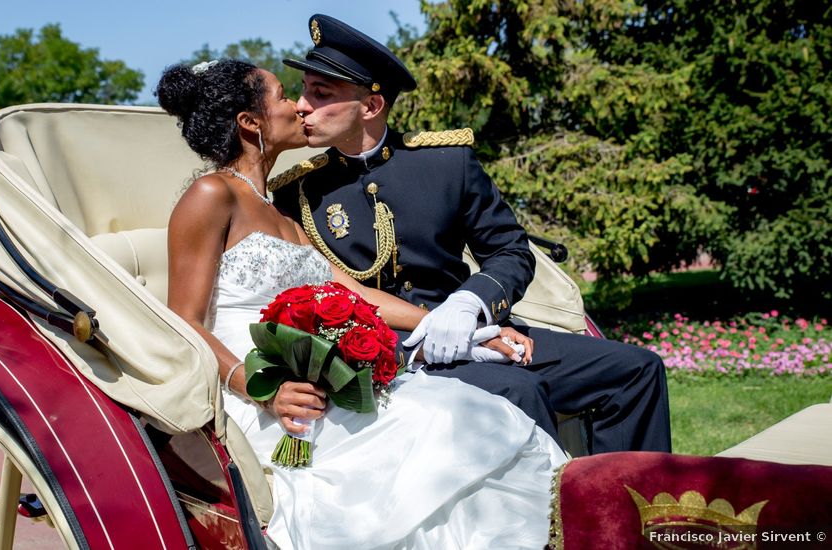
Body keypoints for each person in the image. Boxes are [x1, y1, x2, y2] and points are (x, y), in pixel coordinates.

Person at [157, 59, 566, 550]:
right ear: (250, 122)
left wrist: (464, 327)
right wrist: (263, 389)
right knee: (445, 424)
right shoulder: (211, 194)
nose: (299, 104)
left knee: (471, 416)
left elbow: (349, 292)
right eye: (284, 96)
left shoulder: (279, 211)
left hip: (320, 373)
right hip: (260, 386)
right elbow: (183, 320)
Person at [272, 14, 671, 453]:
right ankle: (558, 516)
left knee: (637, 370)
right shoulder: (300, 193)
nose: (302, 104)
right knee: (518, 390)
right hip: (392, 351)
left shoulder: (447, 164)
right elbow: (316, 296)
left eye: (320, 92)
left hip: (476, 329)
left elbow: (510, 250)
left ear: (370, 106)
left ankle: (624, 510)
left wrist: (470, 303)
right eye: (306, 89)